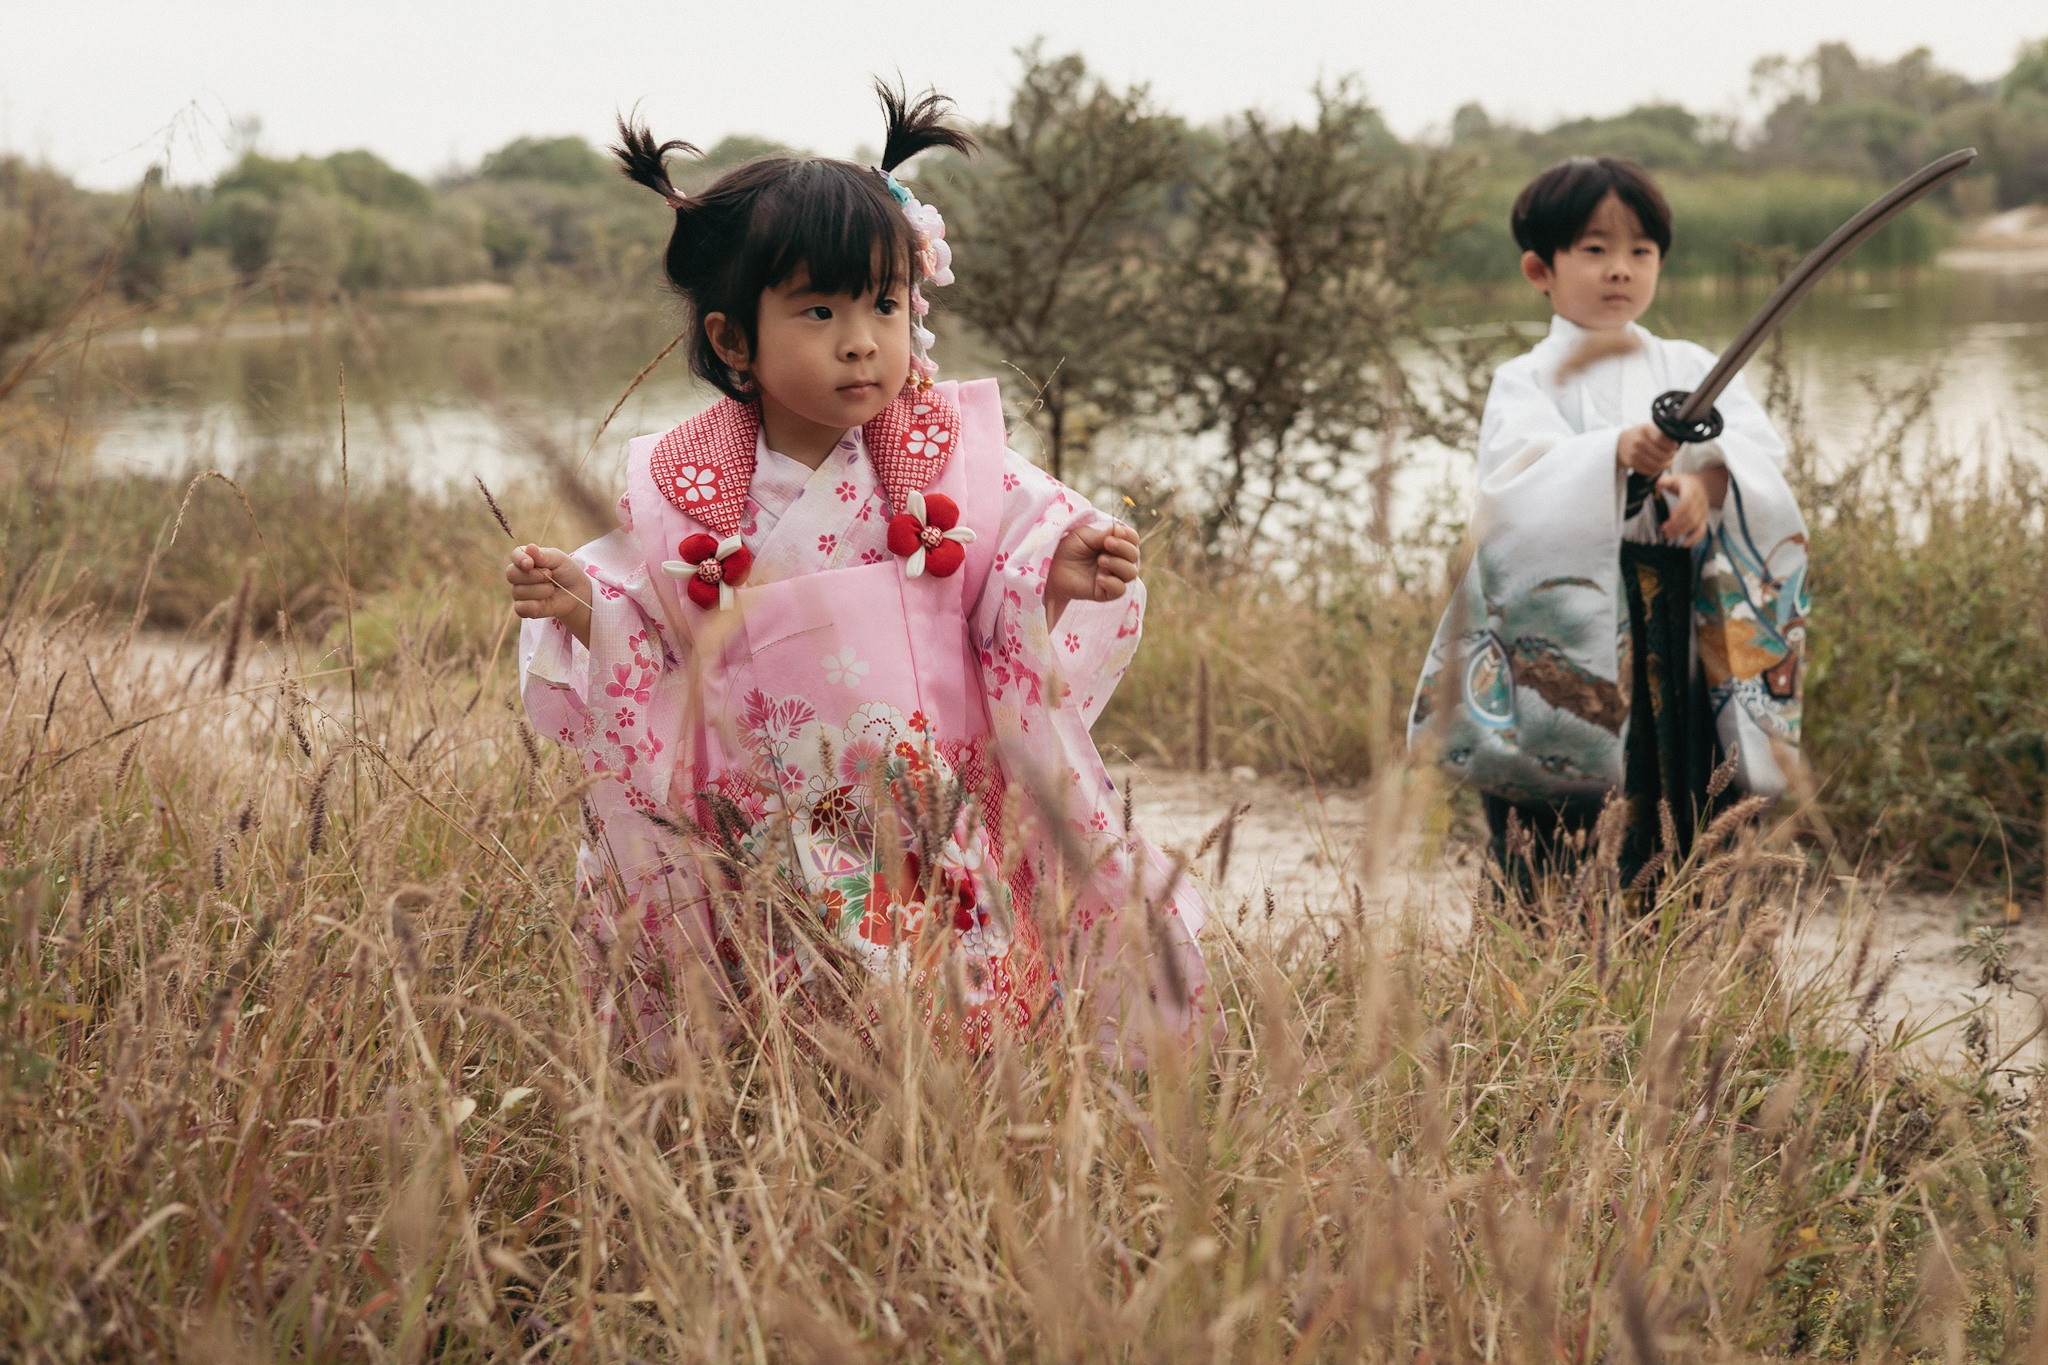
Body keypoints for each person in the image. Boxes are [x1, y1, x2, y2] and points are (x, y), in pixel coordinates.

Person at [506, 84, 1207, 1056]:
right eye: (820, 308)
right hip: (760, 820)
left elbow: (1010, 566)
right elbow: (655, 627)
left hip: (932, 810)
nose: (859, 338)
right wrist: (588, 608)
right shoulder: (685, 485)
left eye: (883, 303)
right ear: (731, 338)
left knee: (949, 1023)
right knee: (783, 1022)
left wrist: (1053, 570)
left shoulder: (949, 455)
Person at [1407, 156, 1809, 899]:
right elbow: (1510, 491)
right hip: (1570, 636)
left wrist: (1705, 482)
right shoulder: (1526, 380)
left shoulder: (1690, 364)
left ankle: (1688, 965)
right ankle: (1554, 962)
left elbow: (1761, 461)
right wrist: (1612, 455)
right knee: (1568, 807)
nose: (1619, 270)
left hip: (1683, 626)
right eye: (1594, 250)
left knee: (1692, 790)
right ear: (1540, 268)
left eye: (1640, 252)